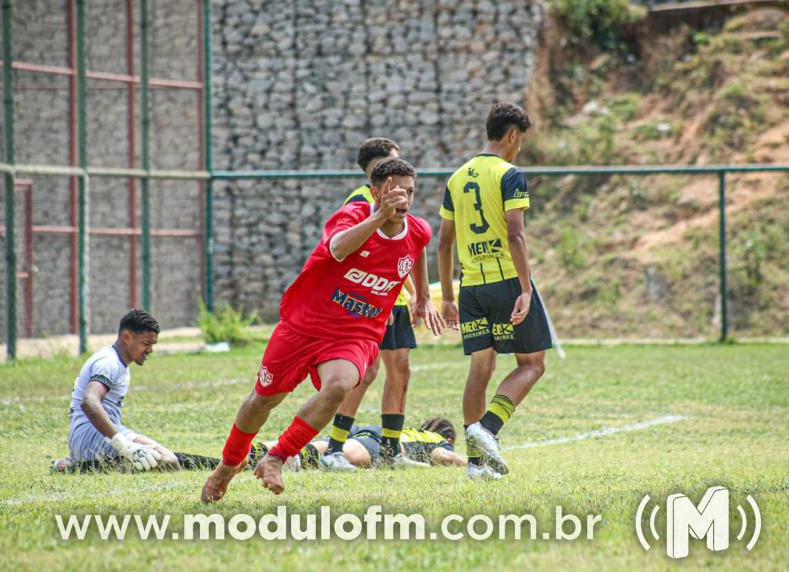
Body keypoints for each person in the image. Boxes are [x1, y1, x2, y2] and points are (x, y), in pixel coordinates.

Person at [201, 157, 444, 501]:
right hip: (304, 326)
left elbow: (416, 248)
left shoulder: (418, 229)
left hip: (354, 334)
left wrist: (421, 297)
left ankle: (278, 456)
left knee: (338, 387)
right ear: (374, 192)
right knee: (262, 401)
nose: (403, 198)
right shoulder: (352, 216)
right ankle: (227, 466)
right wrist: (379, 216)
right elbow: (338, 249)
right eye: (394, 191)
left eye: (410, 191)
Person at [438, 102, 552, 480]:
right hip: (505, 280)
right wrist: (525, 288)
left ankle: (476, 464)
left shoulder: (455, 179)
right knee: (532, 364)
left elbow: (443, 245)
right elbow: (515, 234)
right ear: (513, 135)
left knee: (480, 368)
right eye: (520, 142)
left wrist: (450, 298)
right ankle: (486, 428)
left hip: (470, 286)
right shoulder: (509, 174)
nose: (518, 148)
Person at [323, 137, 425, 471]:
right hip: (370, 301)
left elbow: (402, 248)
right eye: (392, 161)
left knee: (401, 370)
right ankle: (334, 449)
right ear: (376, 171)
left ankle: (391, 452)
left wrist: (413, 292)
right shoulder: (361, 201)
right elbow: (350, 250)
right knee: (364, 373)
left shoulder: (399, 203)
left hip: (391, 298)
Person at [52, 310, 218, 473]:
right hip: (92, 436)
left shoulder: (117, 362)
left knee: (161, 457)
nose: (150, 350)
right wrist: (125, 446)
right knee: (168, 460)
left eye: (152, 344)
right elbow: (89, 402)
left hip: (92, 437)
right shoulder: (109, 363)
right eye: (146, 343)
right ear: (127, 337)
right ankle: (78, 467)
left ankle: (75, 465)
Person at [244, 417, 464, 471]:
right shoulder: (439, 441)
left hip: (368, 431)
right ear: (449, 439)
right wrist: (468, 463)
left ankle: (252, 453)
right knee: (349, 453)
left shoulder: (415, 431)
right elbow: (443, 457)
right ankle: (294, 460)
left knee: (326, 446)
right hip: (380, 442)